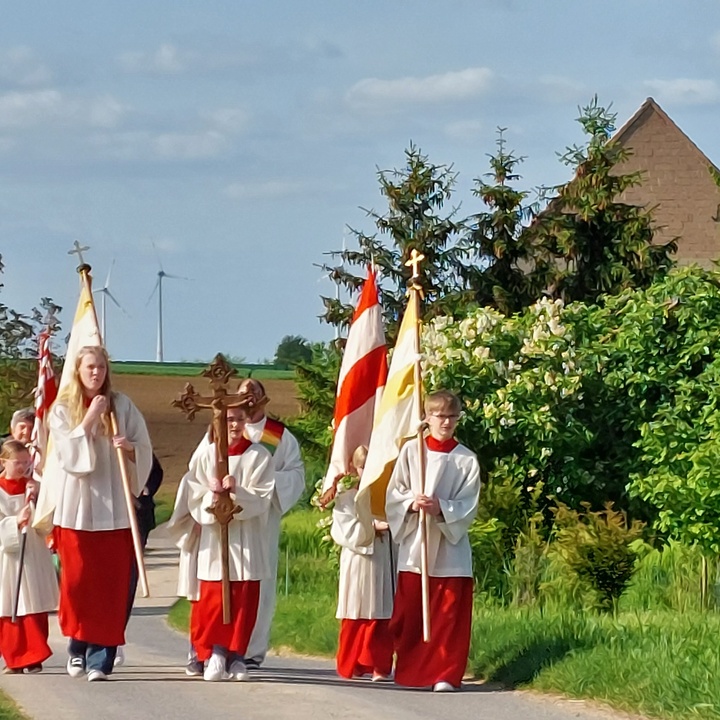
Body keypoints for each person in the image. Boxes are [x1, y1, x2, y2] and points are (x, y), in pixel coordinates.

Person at [46, 345, 153, 682]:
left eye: (101, 368)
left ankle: (101, 659)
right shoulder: (63, 409)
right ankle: (77, 648)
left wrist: (130, 448)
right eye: (90, 367)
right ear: (78, 371)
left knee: (111, 586)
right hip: (77, 510)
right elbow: (68, 457)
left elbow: (145, 447)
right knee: (79, 585)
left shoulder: (123, 405)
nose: (96, 373)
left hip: (115, 511)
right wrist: (91, 416)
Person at [385, 390, 481, 692]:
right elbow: (394, 494)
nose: (447, 422)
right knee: (411, 612)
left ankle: (445, 673)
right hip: (417, 545)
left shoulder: (466, 459)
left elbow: (469, 504)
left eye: (453, 416)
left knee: (448, 615)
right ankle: (412, 670)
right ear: (427, 417)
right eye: (440, 416)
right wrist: (411, 504)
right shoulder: (412, 453)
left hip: (450, 549)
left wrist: (441, 507)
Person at [182, 405, 274, 682]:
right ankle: (214, 652)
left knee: (243, 598)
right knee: (213, 600)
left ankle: (237, 656)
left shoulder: (259, 456)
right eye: (228, 419)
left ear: (247, 421)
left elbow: (263, 497)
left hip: (246, 539)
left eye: (239, 419)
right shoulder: (207, 454)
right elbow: (193, 493)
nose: (233, 425)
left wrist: (238, 491)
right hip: (216, 540)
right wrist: (211, 493)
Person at [238, 379, 305, 669]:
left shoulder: (279, 436)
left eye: (254, 393)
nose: (249, 398)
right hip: (229, 519)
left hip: (263, 520)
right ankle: (224, 644)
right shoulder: (225, 429)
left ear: (264, 399)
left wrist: (263, 484)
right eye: (243, 393)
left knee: (261, 581)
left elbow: (296, 475)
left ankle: (253, 649)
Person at [325, 445, 395, 681]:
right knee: (355, 610)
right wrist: (371, 527)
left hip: (383, 556)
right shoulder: (346, 496)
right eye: (364, 466)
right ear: (355, 467)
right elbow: (342, 527)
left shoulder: (386, 491)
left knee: (382, 610)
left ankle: (379, 665)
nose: (368, 471)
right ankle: (352, 662)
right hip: (358, 558)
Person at [0, 440, 57, 673]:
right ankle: (15, 658)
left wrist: (37, 501)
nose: (23, 467)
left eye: (26, 462)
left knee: (32, 602)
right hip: (6, 558)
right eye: (17, 462)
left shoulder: (33, 487)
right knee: (10, 603)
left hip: (32, 552)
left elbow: (46, 523)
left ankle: (34, 657)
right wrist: (14, 522)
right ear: (3, 462)